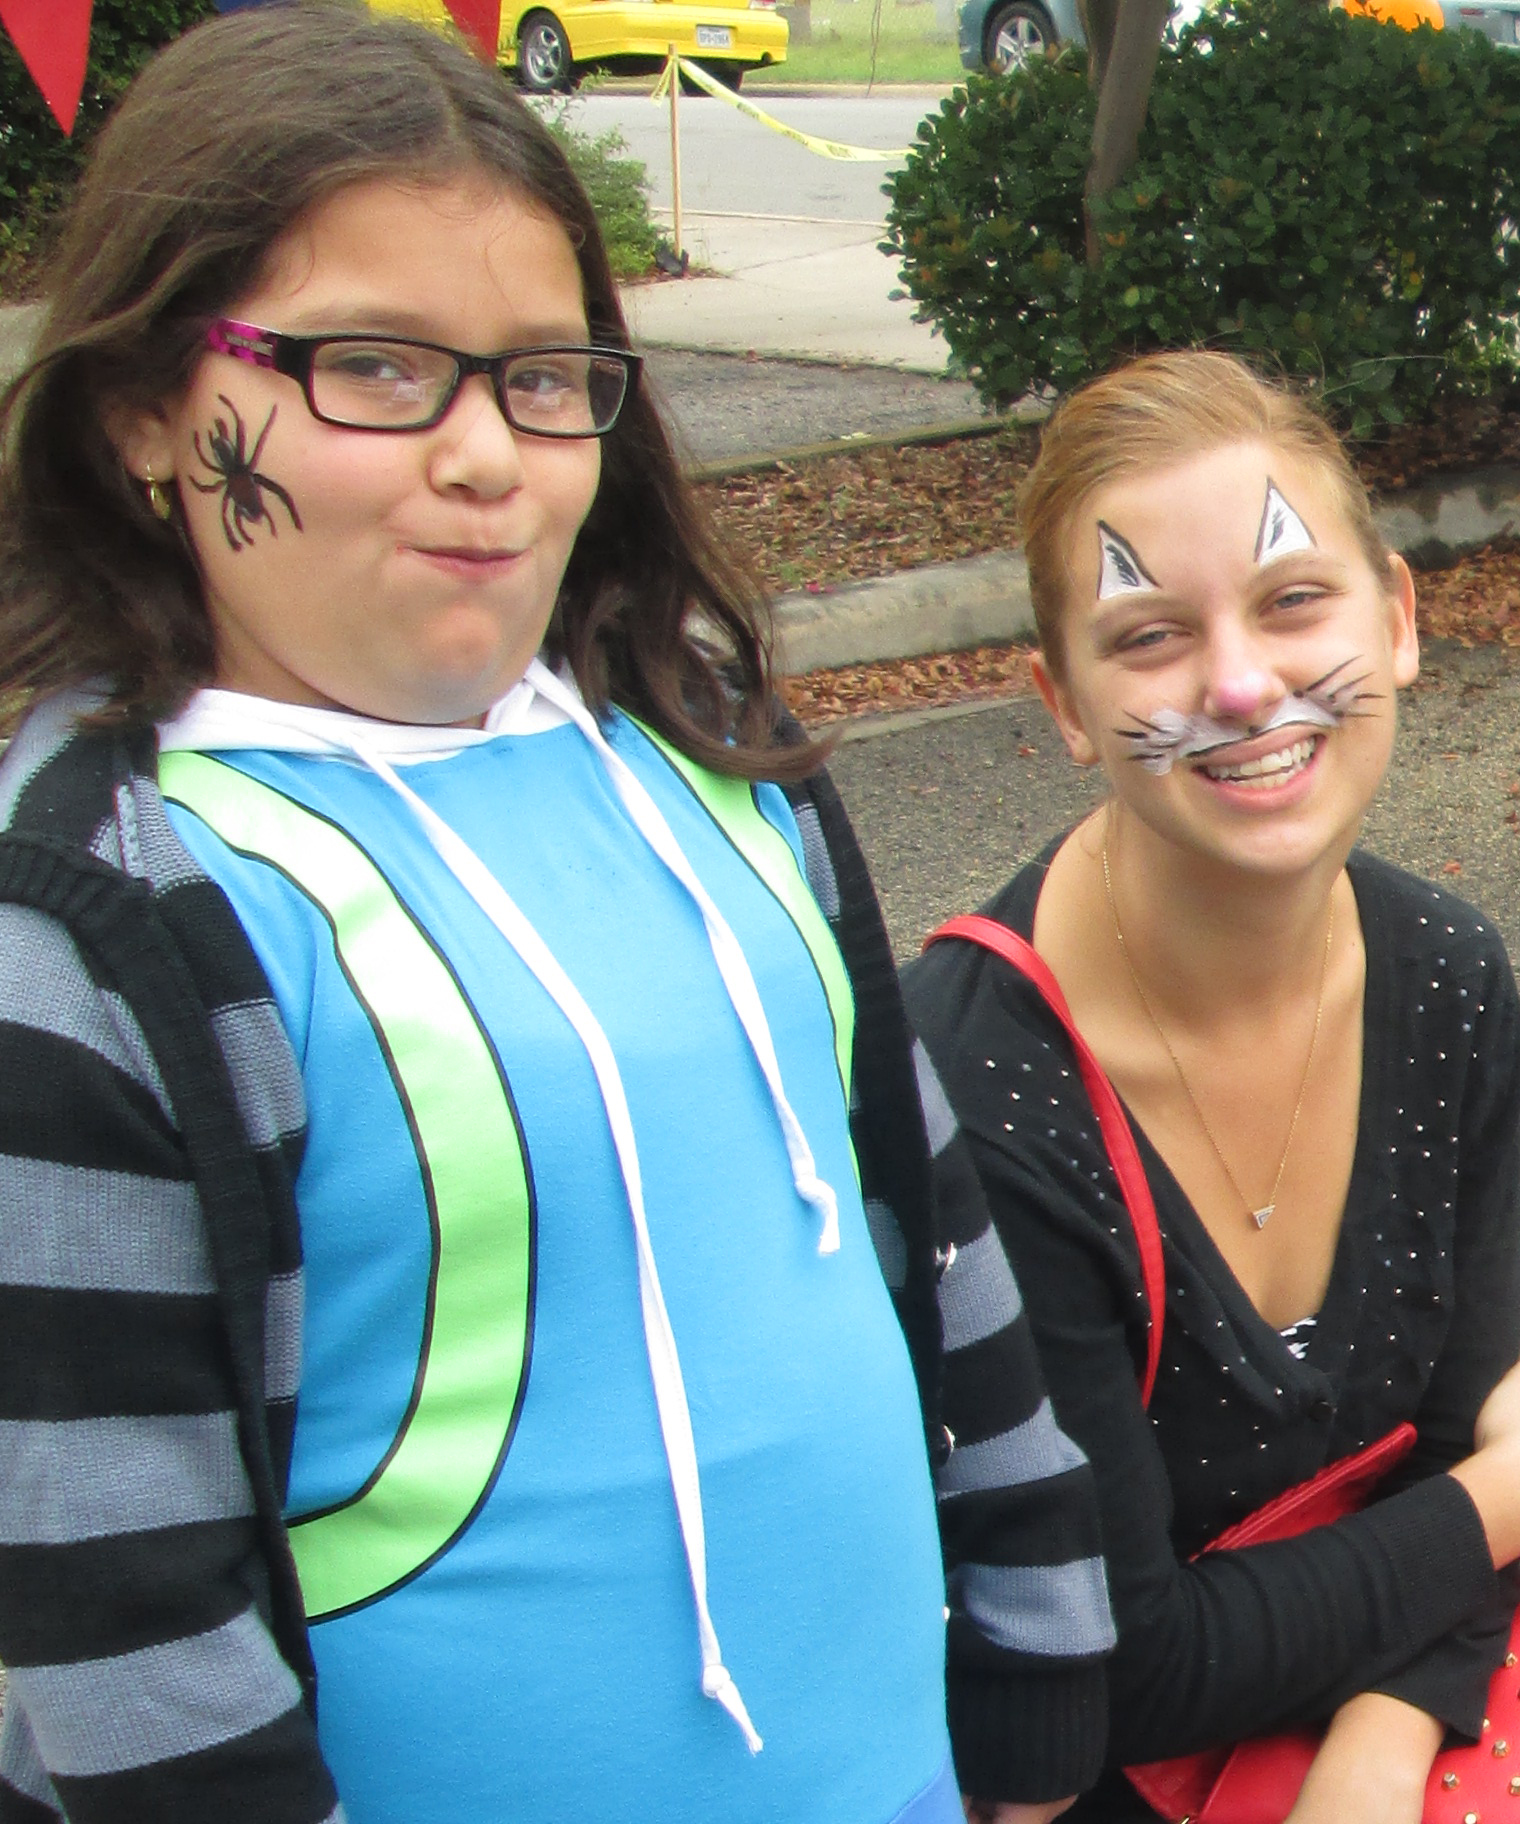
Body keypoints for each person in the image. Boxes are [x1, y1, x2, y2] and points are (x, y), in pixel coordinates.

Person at [0, 8, 1115, 1821]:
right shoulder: (106, 914)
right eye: (374, 367)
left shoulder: (712, 753)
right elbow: (117, 1602)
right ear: (145, 410)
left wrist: (1043, 1652)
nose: (485, 453)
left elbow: (921, 1217)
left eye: (542, 375)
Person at [905, 350, 1520, 1824]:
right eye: (1150, 636)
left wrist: (1384, 1739)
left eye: (1294, 600)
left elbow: (1463, 1426)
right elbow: (1122, 1665)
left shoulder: (1446, 972)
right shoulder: (974, 1089)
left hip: (1406, 1702)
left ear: (1399, 618)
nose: (1242, 684)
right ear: (1063, 703)